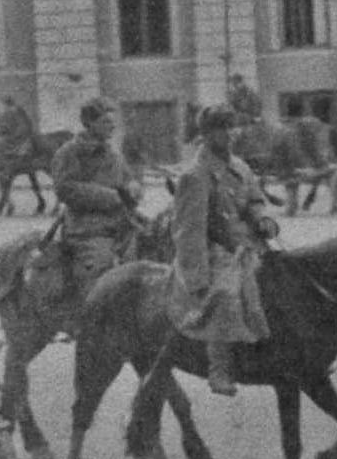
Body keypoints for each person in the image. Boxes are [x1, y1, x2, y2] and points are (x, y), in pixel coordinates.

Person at [165, 104, 274, 397]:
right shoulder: (195, 175)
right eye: (222, 129)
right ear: (207, 134)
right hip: (214, 252)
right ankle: (219, 369)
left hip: (249, 245)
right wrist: (198, 279)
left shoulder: (239, 166)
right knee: (224, 294)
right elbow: (188, 232)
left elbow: (254, 198)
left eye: (233, 127)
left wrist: (263, 219)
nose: (230, 134)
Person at [49, 98, 144, 296]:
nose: (113, 126)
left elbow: (128, 178)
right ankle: (93, 320)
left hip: (123, 222)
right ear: (89, 124)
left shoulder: (113, 153)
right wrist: (112, 196)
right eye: (106, 122)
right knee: (100, 267)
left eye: (113, 122)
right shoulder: (69, 152)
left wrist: (134, 188)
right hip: (88, 227)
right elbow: (66, 188)